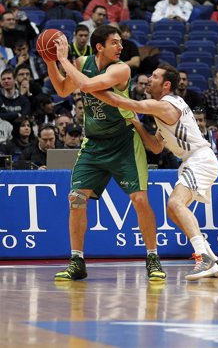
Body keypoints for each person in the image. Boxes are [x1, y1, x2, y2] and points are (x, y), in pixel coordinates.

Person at [43, 24, 166, 281]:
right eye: (115, 42)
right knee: (76, 198)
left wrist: (62, 59)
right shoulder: (82, 61)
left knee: (140, 200)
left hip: (124, 141)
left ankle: (153, 257)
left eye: (120, 42)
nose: (121, 47)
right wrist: (50, 62)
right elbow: (63, 90)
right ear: (100, 47)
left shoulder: (122, 69)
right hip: (95, 144)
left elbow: (86, 86)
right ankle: (77, 261)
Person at [89, 62, 218, 281]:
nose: (149, 79)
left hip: (200, 159)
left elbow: (121, 101)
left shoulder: (166, 105)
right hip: (194, 160)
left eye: (154, 76)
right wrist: (137, 124)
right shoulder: (163, 109)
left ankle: (204, 258)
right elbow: (156, 146)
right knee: (174, 210)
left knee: (175, 204)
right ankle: (214, 260)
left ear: (166, 85)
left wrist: (90, 87)